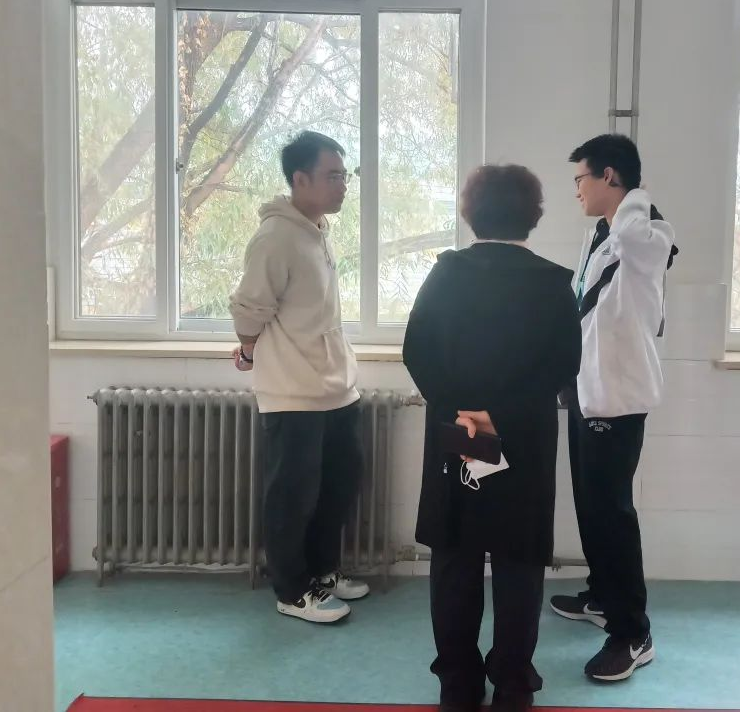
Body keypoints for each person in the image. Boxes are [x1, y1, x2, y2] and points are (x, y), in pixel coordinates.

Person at [404, 165, 582, 712]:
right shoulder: (553, 283)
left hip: (459, 432)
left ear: (471, 214)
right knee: (518, 558)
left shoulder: (446, 275)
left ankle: (457, 682)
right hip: (525, 438)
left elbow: (417, 351)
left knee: (455, 554)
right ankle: (512, 683)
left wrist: (466, 413)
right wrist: (505, 414)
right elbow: (565, 363)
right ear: (533, 216)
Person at [549, 134, 677, 682]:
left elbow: (632, 234)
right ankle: (603, 595)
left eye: (581, 178)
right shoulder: (601, 234)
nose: (575, 190)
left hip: (617, 398)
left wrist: (632, 196)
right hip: (586, 391)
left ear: (609, 176)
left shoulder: (648, 233)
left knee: (612, 515)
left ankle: (633, 633)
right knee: (590, 506)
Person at [229, 130, 368, 624]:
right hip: (293, 394)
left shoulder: (316, 230)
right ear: (300, 179)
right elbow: (249, 307)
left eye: (344, 176)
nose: (342, 185)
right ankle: (292, 591)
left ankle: (322, 573)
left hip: (334, 389)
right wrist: (249, 347)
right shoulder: (276, 237)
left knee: (338, 487)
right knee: (292, 498)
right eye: (333, 176)